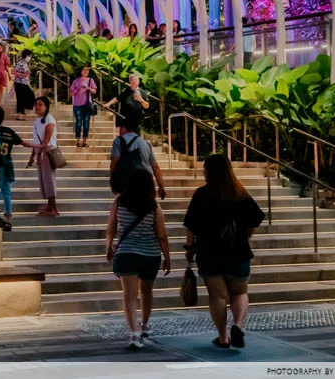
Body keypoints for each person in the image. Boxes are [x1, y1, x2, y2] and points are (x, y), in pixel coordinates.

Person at [184, 155, 266, 350]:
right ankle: (237, 325)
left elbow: (190, 226)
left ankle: (223, 338)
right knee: (240, 292)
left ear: (208, 172)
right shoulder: (240, 193)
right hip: (238, 251)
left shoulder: (202, 194)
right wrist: (246, 237)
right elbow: (255, 220)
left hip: (209, 254)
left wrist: (189, 248)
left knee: (217, 297)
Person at [105, 169, 171, 350]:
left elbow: (111, 228)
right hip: (150, 255)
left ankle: (134, 332)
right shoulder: (154, 206)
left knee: (129, 295)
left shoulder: (118, 203)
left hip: (126, 253)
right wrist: (167, 257)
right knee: (147, 291)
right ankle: (145, 325)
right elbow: (162, 235)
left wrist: (109, 247)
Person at [0, 106, 32, 232]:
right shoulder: (9, 131)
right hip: (5, 164)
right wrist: (36, 146)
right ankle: (8, 216)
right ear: (3, 118)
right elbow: (22, 142)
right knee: (6, 189)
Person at [110, 121, 167, 199]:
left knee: (124, 208)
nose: (119, 130)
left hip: (129, 184)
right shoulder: (146, 143)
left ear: (124, 128)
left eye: (120, 127)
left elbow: (114, 162)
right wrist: (161, 187)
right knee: (151, 208)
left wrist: (113, 181)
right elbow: (155, 167)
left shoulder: (118, 141)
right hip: (147, 182)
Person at [29, 96, 60, 217]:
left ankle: (54, 208)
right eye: (36, 104)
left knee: (49, 179)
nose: (37, 107)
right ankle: (50, 206)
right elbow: (36, 140)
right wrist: (32, 156)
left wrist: (41, 154)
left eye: (40, 104)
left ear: (46, 106)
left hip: (48, 152)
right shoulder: (37, 120)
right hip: (40, 151)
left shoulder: (49, 119)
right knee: (44, 180)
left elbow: (46, 139)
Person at [69, 66, 98, 148]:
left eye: (87, 70)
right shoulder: (75, 81)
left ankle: (85, 140)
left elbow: (94, 91)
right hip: (77, 105)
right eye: (84, 70)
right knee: (78, 122)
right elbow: (70, 93)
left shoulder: (90, 80)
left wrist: (88, 88)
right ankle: (78, 140)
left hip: (87, 104)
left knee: (86, 122)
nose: (86, 71)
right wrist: (77, 90)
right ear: (80, 71)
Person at [12, 49, 36, 121]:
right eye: (29, 56)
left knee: (30, 95)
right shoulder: (20, 63)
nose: (30, 58)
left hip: (24, 83)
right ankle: (20, 115)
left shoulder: (25, 63)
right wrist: (23, 74)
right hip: (19, 83)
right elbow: (13, 71)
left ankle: (23, 111)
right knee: (21, 99)